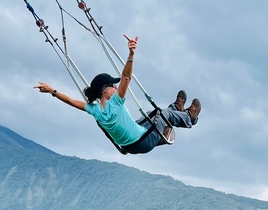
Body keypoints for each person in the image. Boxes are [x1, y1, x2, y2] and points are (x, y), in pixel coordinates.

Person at [34, 35, 201, 154]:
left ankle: (177, 108)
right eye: (113, 85)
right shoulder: (115, 102)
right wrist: (131, 54)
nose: (116, 87)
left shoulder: (94, 110)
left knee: (155, 114)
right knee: (163, 114)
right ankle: (188, 117)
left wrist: (52, 91)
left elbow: (71, 101)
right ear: (105, 90)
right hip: (143, 141)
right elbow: (126, 78)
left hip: (129, 145)